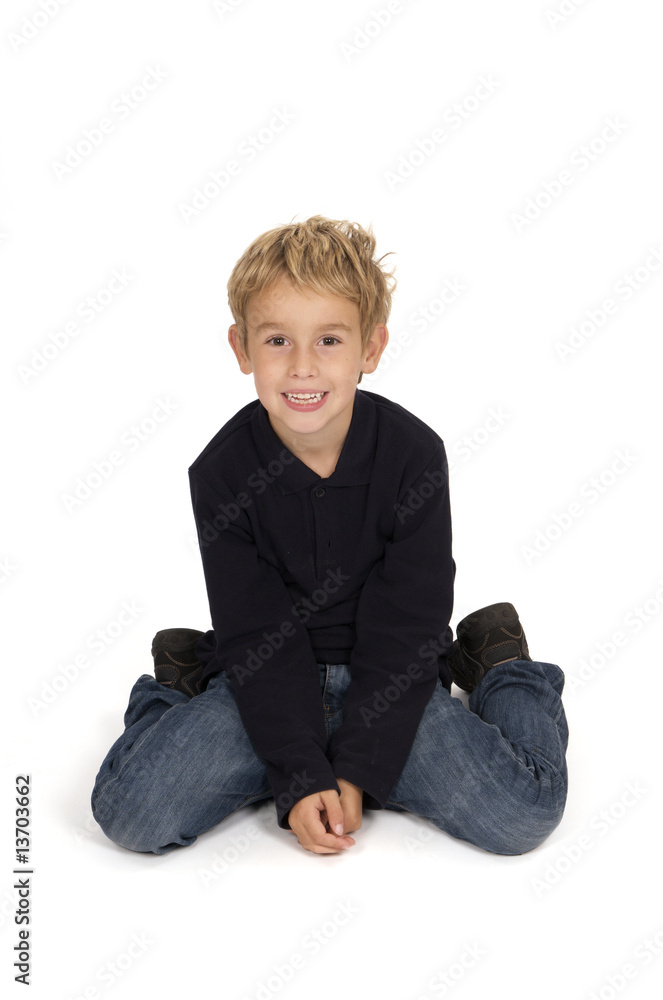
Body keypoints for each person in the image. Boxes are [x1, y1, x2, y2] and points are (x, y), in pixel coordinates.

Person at [91, 215, 569, 856]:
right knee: (130, 814)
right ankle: (178, 682)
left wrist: (359, 768)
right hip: (264, 680)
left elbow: (407, 623)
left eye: (329, 340)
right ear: (241, 348)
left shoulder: (413, 455)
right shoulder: (222, 472)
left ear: (371, 348)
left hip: (392, 684)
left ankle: (501, 664)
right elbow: (256, 628)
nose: (303, 367)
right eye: (278, 340)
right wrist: (299, 774)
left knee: (523, 814)